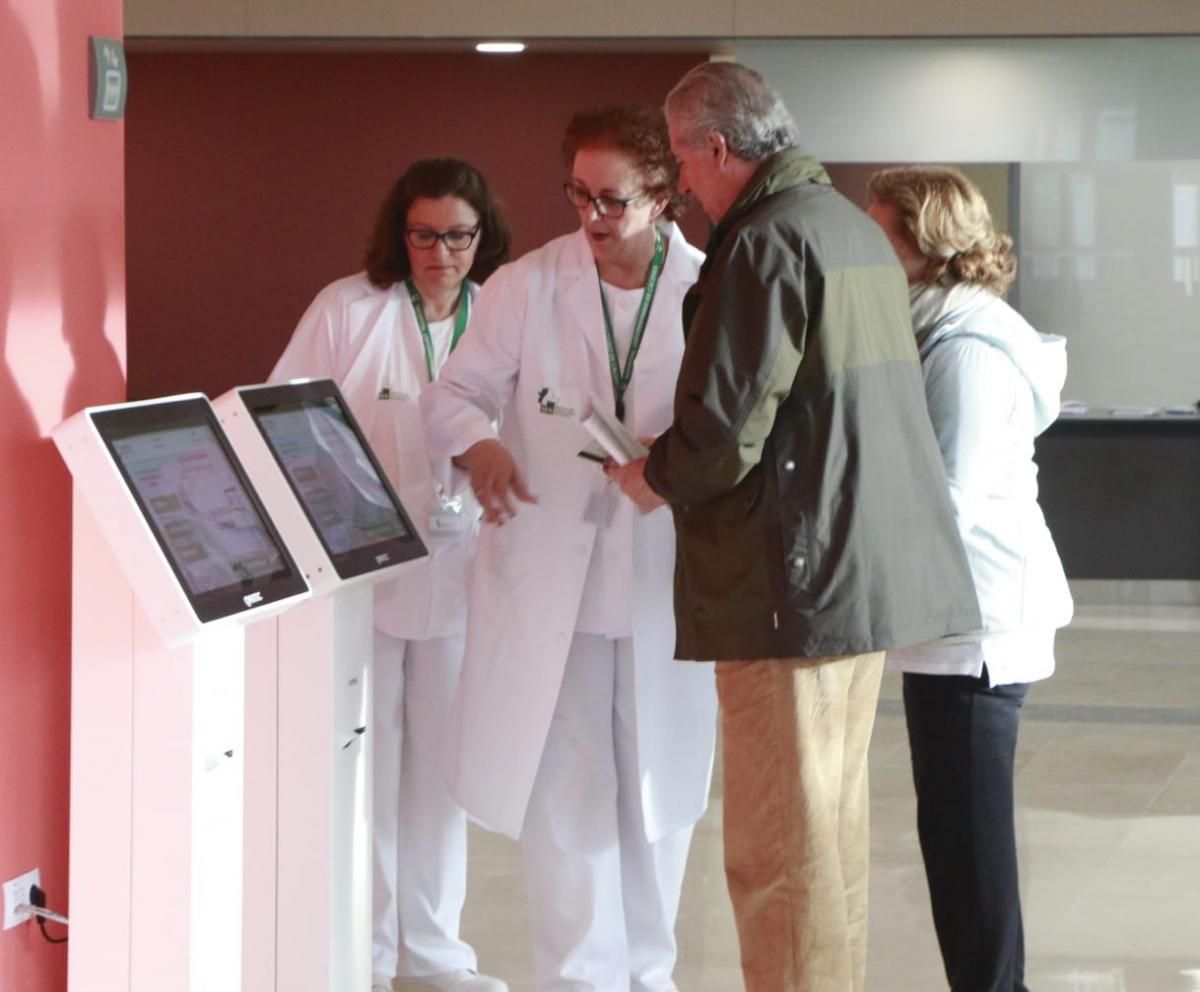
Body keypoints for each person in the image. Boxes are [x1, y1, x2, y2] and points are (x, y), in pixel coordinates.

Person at [608, 62, 982, 992]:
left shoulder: (765, 242)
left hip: (790, 585)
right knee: (828, 832)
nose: (682, 188)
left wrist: (653, 473)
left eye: (684, 165)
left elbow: (728, 432)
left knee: (777, 849)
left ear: (718, 148)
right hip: (848, 579)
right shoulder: (847, 228)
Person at [419, 105, 718, 992]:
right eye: (578, 195)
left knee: (659, 797)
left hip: (665, 578)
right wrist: (480, 444)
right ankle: (579, 980)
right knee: (567, 802)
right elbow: (452, 395)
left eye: (612, 200)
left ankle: (649, 975)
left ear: (665, 198)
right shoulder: (527, 284)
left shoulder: (707, 288)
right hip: (553, 580)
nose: (591, 217)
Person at [270, 158, 512, 992]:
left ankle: (437, 953)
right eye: (424, 234)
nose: (441, 253)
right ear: (398, 234)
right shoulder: (349, 307)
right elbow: (286, 415)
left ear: (482, 236)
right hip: (363, 573)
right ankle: (361, 956)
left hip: (468, 570)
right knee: (365, 767)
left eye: (458, 235)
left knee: (442, 774)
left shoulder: (502, 312)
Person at [867, 165, 1073, 992]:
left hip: (978, 626)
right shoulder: (935, 326)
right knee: (954, 841)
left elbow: (946, 498)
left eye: (875, 233)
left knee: (970, 849)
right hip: (951, 622)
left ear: (922, 245)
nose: (862, 251)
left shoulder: (967, 350)